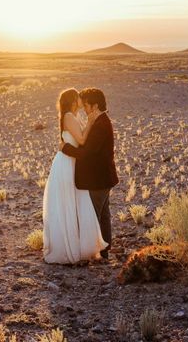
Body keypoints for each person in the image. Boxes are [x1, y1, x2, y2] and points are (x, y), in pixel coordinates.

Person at [42, 88, 108, 264]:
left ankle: (75, 245)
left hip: (71, 163)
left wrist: (89, 122)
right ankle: (68, 249)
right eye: (78, 97)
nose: (80, 100)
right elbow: (82, 141)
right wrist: (91, 121)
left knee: (72, 203)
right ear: (73, 101)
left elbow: (79, 139)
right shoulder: (69, 117)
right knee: (69, 204)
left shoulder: (72, 117)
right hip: (66, 164)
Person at [60, 87, 119, 259]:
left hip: (98, 179)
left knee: (93, 216)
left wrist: (66, 148)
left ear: (94, 106)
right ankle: (104, 250)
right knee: (103, 215)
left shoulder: (101, 124)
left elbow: (87, 153)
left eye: (85, 106)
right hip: (102, 178)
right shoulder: (101, 120)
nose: (84, 109)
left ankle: (95, 251)